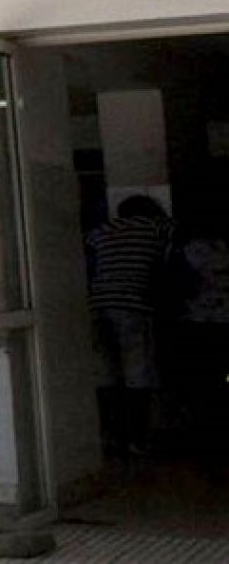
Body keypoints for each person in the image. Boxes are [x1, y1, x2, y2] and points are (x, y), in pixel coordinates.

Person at [84, 194, 173, 457]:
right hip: (133, 304)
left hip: (97, 304)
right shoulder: (156, 227)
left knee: (105, 373)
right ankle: (137, 438)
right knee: (137, 372)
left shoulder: (101, 231)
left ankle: (109, 436)